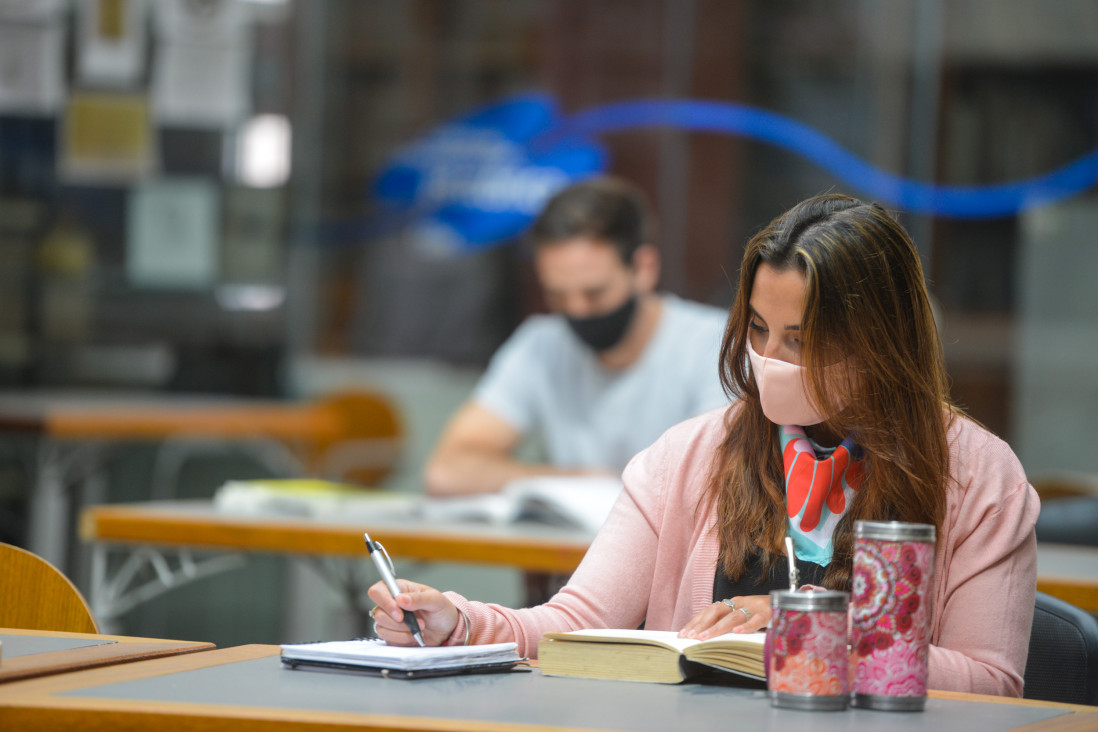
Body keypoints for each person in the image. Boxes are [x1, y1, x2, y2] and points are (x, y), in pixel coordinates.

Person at [372, 194, 1039, 697]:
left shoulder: (978, 475)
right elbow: (575, 622)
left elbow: (989, 680)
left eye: (800, 340)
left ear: (881, 340)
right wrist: (456, 623)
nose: (768, 359)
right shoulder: (687, 458)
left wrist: (800, 629)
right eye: (756, 329)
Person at [423, 175, 730, 497]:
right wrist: (576, 482)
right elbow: (447, 472)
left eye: (594, 293)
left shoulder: (715, 347)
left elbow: (718, 484)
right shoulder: (540, 345)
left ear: (644, 268)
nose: (577, 310)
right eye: (557, 296)